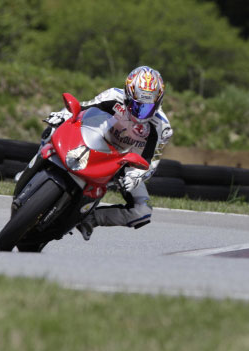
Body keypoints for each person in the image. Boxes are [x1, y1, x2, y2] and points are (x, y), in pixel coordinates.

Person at [44, 66, 172, 241]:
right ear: (128, 94)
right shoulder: (113, 95)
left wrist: (136, 176)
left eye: (147, 108)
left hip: (126, 163)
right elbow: (83, 107)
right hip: (97, 140)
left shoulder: (162, 127)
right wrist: (62, 115)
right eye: (136, 105)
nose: (141, 113)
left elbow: (152, 160)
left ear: (158, 102)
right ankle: (37, 163)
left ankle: (90, 219)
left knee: (143, 211)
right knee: (54, 127)